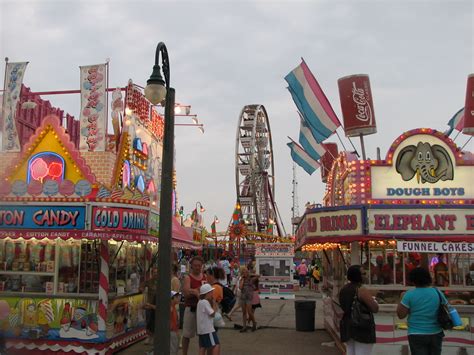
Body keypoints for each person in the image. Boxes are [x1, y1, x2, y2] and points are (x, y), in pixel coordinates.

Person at [397, 267, 446, 355]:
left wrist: (401, 298)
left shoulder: (409, 295)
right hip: (436, 332)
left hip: (416, 333)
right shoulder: (437, 292)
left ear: (413, 280)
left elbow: (401, 315)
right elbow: (447, 307)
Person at [339, 265, 379, 355]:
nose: (366, 275)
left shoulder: (344, 289)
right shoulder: (361, 290)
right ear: (358, 275)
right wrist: (375, 300)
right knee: (363, 351)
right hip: (361, 327)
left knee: (350, 351)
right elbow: (375, 308)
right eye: (363, 273)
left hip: (347, 325)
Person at [182, 256, 207, 355]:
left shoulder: (204, 276)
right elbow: (186, 293)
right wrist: (198, 290)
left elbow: (208, 290)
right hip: (191, 309)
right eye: (195, 265)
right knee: (186, 334)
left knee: (202, 334)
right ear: (191, 266)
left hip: (202, 310)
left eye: (199, 266)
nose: (197, 267)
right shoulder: (188, 277)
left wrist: (194, 290)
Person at [197, 284, 220, 355]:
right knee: (216, 345)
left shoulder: (200, 302)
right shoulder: (205, 302)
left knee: (203, 347)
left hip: (201, 330)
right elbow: (212, 314)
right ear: (207, 293)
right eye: (211, 292)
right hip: (208, 329)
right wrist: (214, 304)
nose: (212, 294)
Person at [239, 267, 257, 332]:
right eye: (243, 272)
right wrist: (243, 280)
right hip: (243, 297)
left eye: (246, 272)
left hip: (249, 297)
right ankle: (244, 326)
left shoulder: (251, 279)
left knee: (249, 312)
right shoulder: (241, 279)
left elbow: (258, 276)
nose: (245, 273)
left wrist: (251, 274)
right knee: (244, 312)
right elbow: (240, 287)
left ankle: (254, 323)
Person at [170, 291, 181, 355]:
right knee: (172, 351)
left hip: (175, 331)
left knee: (174, 350)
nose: (178, 298)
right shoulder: (170, 308)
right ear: (172, 298)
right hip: (172, 332)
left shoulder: (174, 307)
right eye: (176, 297)